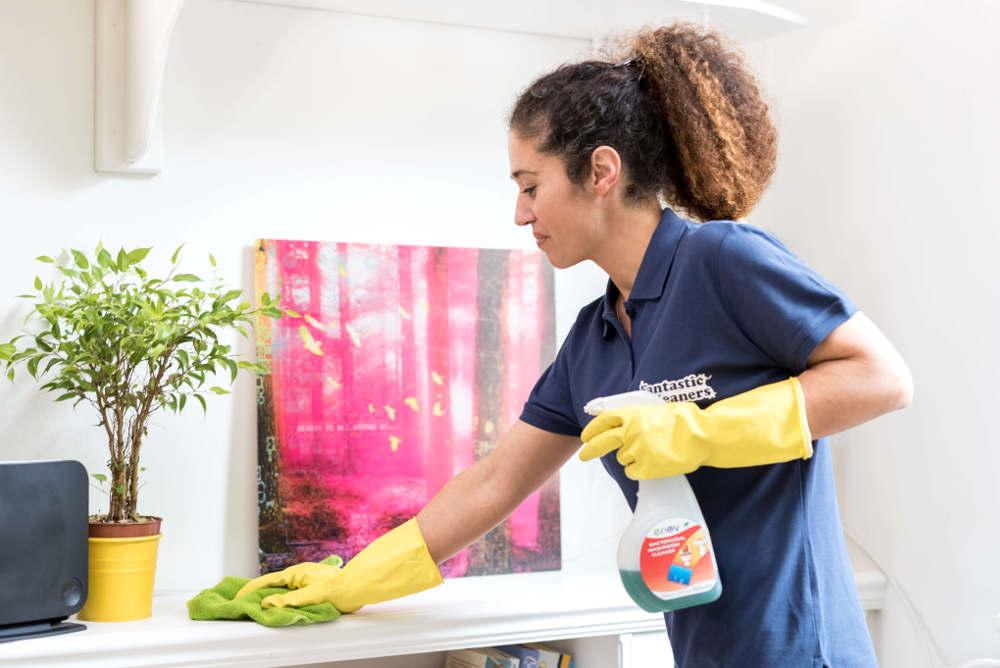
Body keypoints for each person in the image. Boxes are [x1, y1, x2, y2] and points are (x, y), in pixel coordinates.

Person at [237, 22, 913, 667]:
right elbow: (495, 482)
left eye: (531, 186)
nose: (520, 213)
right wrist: (350, 583)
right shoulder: (595, 337)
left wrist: (700, 431)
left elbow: (880, 377)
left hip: (805, 654)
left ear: (601, 171)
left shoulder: (722, 260)